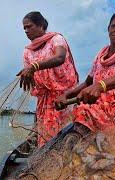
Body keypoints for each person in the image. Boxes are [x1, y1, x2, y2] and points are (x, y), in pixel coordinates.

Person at [17, 11, 79, 147]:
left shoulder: (56, 39)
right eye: (24, 28)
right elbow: (30, 75)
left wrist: (34, 66)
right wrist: (28, 77)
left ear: (40, 26)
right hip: (44, 96)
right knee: (45, 135)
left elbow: (59, 57)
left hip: (65, 94)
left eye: (29, 26)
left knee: (66, 131)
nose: (26, 31)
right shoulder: (27, 51)